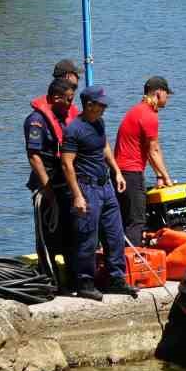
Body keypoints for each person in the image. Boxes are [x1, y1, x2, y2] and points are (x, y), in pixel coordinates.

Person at [61, 85, 136, 299]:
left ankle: (116, 279)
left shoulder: (99, 123)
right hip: (86, 187)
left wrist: (117, 172)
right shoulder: (74, 129)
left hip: (106, 186)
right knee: (87, 237)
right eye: (101, 104)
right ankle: (85, 282)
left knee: (114, 234)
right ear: (89, 105)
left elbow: (104, 147)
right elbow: (67, 164)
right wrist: (77, 195)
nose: (104, 108)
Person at [25, 76, 76, 290]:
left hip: (65, 184)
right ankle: (50, 281)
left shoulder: (65, 117)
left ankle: (73, 278)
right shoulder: (36, 121)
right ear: (56, 98)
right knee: (48, 237)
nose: (71, 105)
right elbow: (34, 155)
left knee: (71, 232)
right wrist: (47, 189)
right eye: (68, 100)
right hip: (46, 187)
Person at [115, 76, 175, 239]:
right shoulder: (149, 115)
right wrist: (168, 179)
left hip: (121, 172)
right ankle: (133, 261)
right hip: (131, 173)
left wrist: (159, 175)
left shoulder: (137, 110)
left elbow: (149, 150)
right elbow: (154, 150)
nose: (168, 97)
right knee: (137, 221)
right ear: (158, 93)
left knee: (125, 219)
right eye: (166, 93)